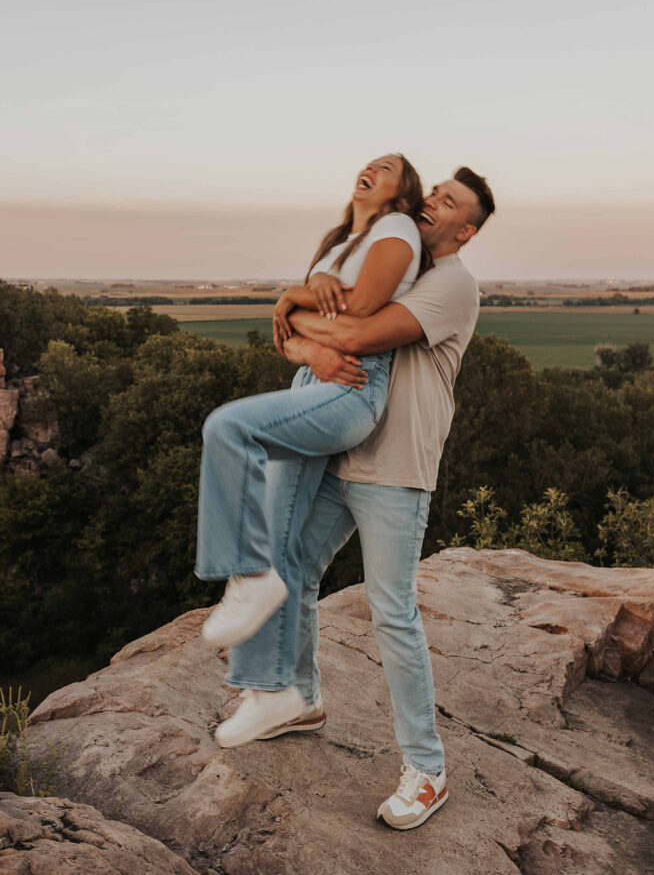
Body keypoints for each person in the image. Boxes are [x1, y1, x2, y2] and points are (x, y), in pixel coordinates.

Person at [216, 166, 495, 832]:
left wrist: (298, 315)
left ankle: (426, 771)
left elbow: (357, 335)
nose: (432, 203)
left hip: (395, 468)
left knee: (392, 612)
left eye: (448, 203)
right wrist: (299, 312)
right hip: (339, 456)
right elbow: (303, 339)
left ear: (468, 228)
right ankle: (303, 699)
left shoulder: (450, 283)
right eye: (433, 193)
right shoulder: (392, 262)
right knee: (295, 570)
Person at [196, 153, 425, 735]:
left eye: (390, 167)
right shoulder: (337, 242)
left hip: (349, 391)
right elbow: (290, 339)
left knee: (228, 428)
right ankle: (287, 695)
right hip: (311, 383)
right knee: (285, 544)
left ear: (403, 192)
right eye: (372, 160)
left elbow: (360, 317)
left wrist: (296, 297)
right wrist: (304, 327)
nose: (373, 166)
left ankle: (244, 576)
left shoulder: (395, 230)